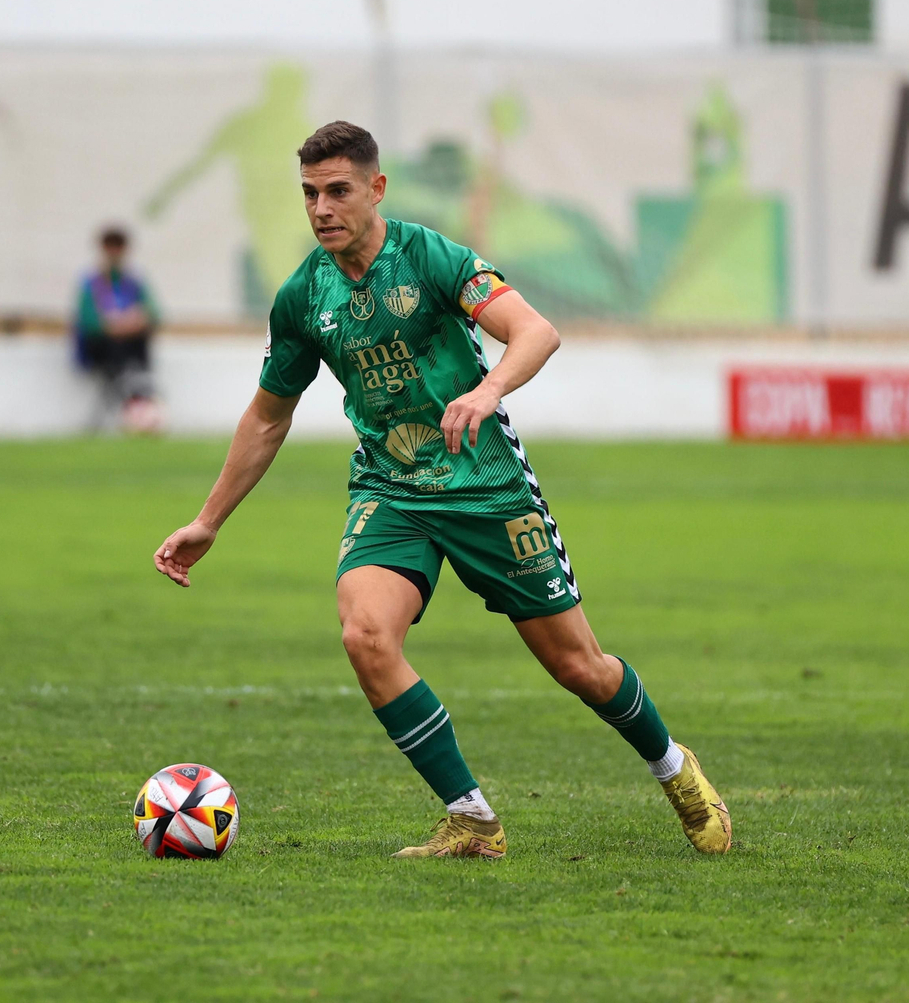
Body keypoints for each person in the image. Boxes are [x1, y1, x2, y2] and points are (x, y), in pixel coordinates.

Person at [151, 121, 731, 859]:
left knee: (578, 665)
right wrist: (209, 521)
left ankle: (675, 769)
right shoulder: (304, 295)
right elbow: (268, 417)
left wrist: (486, 392)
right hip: (392, 490)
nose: (321, 208)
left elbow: (535, 332)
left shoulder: (428, 256)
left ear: (376, 189)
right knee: (365, 635)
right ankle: (473, 820)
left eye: (337, 191)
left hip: (486, 486)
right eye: (308, 194)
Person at [74, 226, 161, 432]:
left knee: (136, 344)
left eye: (118, 246)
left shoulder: (134, 283)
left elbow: (154, 313)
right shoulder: (91, 283)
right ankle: (135, 404)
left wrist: (129, 323)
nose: (114, 251)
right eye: (110, 246)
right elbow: (89, 322)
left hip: (131, 344)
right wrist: (117, 326)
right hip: (101, 347)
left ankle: (138, 401)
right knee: (116, 347)